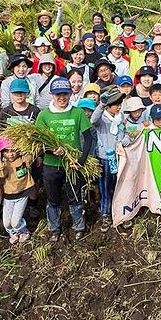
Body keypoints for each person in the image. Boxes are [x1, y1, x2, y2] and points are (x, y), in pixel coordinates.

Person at [35, 77, 94, 241]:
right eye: (58, 94)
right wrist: (52, 151)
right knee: (53, 198)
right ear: (51, 95)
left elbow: (88, 138)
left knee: (75, 196)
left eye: (65, 94)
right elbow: (38, 144)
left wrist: (81, 161)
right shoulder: (44, 116)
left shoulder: (78, 112)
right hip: (50, 165)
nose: (62, 98)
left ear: (70, 94)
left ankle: (78, 226)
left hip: (72, 165)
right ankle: (54, 228)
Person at [91, 89, 127, 232]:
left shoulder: (120, 116)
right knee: (105, 187)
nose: (118, 107)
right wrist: (101, 105)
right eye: (115, 104)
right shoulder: (102, 118)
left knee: (119, 186)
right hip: (105, 158)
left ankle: (119, 212)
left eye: (120, 104)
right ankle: (105, 214)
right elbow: (93, 120)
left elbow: (124, 132)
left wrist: (125, 139)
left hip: (119, 156)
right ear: (108, 106)